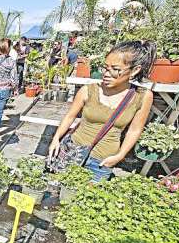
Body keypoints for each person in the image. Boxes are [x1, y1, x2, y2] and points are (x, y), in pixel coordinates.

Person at [48, 41, 156, 182]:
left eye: (115, 69)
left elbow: (134, 130)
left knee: (88, 201)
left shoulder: (142, 96)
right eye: (105, 68)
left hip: (102, 162)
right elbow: (70, 117)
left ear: (135, 70)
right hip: (73, 152)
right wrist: (56, 139)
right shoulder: (89, 90)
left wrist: (120, 155)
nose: (106, 73)